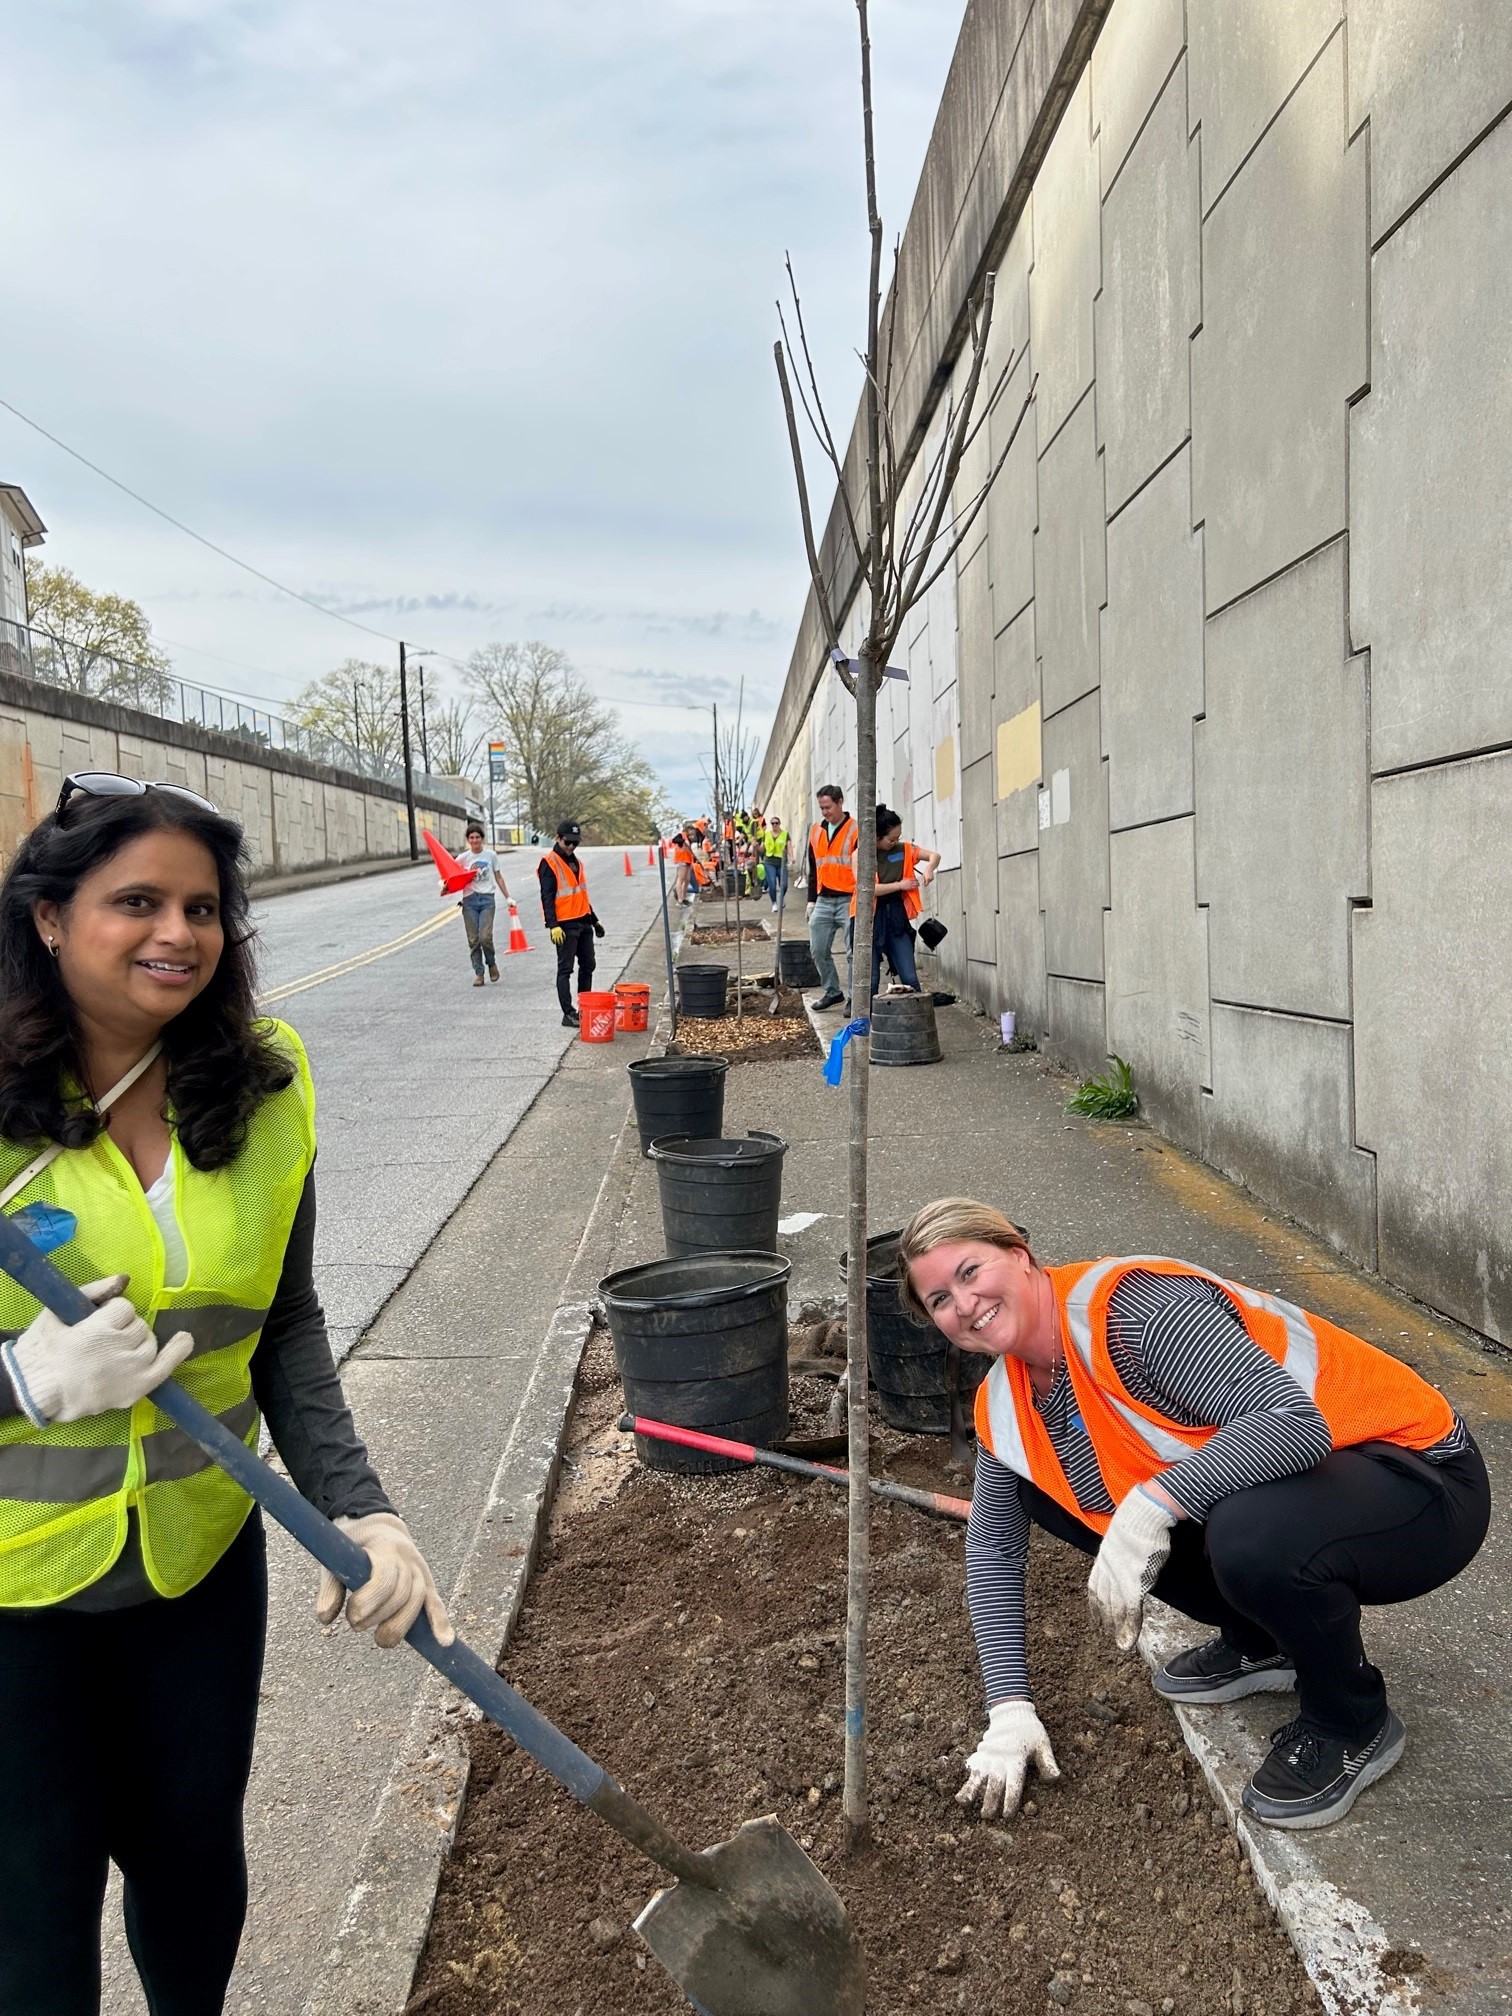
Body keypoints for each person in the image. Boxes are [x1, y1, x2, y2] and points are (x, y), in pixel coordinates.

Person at [0, 773, 453, 2016]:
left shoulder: (264, 1079)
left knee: (196, 1884)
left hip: (195, 1572)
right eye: (134, 901)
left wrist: (364, 1511)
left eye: (202, 907)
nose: (177, 935)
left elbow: (286, 1327)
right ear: (48, 916)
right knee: (31, 1936)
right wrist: (22, 1379)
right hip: (12, 1600)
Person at [897, 1200, 1490, 1830]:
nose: (963, 1305)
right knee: (1046, 1488)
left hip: (1417, 1480)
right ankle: (1266, 1640)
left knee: (1245, 1535)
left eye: (970, 1272)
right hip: (1313, 1495)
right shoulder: (1007, 1402)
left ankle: (1351, 1718)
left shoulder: (1134, 1313)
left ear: (1019, 1256)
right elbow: (992, 1549)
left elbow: (1293, 1426)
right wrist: (1008, 1708)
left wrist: (1150, 1508)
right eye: (938, 1299)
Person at [847, 805, 938, 1003]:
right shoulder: (860, 855)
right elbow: (867, 889)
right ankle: (868, 1024)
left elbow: (933, 856)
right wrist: (901, 885)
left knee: (910, 977)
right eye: (891, 839)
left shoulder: (903, 850)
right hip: (867, 919)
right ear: (877, 837)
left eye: (898, 837)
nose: (895, 842)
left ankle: (916, 1017)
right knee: (870, 980)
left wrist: (930, 868)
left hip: (896, 917)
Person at [538, 818, 604, 1029]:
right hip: (565, 925)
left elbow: (581, 895)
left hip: (584, 922)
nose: (572, 846)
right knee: (565, 969)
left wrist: (595, 920)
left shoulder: (577, 862)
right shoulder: (549, 862)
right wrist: (553, 925)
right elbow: (547, 897)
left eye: (576, 843)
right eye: (569, 842)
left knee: (588, 965)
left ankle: (584, 1006)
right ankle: (568, 1013)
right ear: (558, 839)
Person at [805, 784, 856, 1011]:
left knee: (853, 952)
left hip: (849, 898)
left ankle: (855, 998)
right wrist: (810, 900)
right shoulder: (816, 831)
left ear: (840, 802)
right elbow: (813, 868)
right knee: (817, 949)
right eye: (821, 808)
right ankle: (832, 991)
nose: (825, 812)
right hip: (823, 900)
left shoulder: (855, 829)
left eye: (828, 807)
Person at [449, 821, 510, 988]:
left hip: (487, 900)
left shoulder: (491, 855)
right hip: (469, 901)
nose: (475, 840)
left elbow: (498, 877)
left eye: (477, 837)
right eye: (471, 838)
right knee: (473, 940)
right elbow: (451, 874)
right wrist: (445, 885)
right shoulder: (463, 858)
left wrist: (508, 897)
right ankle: (479, 973)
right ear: (468, 840)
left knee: (485, 937)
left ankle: (491, 963)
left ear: (482, 839)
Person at [762, 813, 791, 910]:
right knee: (772, 883)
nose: (774, 825)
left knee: (784, 884)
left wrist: (792, 857)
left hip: (781, 862)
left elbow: (789, 846)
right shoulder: (766, 835)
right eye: (772, 823)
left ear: (779, 823)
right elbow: (762, 849)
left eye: (776, 823)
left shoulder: (785, 834)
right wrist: (756, 846)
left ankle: (781, 897)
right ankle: (774, 903)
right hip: (769, 862)